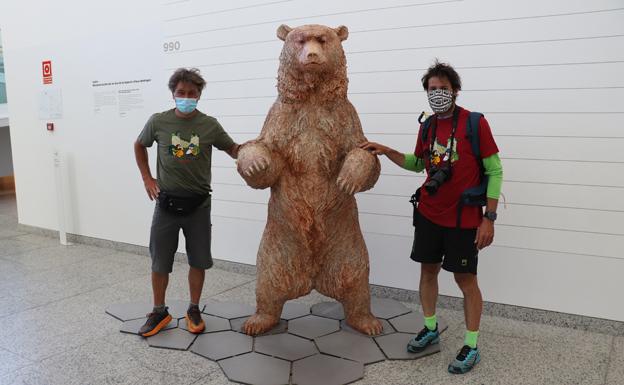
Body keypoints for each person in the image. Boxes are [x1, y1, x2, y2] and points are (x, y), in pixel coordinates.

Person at [361, 60, 503, 374]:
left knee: (466, 280)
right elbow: (417, 164)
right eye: (432, 89)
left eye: (444, 89)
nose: (438, 94)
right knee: (428, 271)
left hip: (464, 219)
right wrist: (385, 150)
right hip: (428, 213)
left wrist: (489, 217)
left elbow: (495, 170)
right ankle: (430, 327)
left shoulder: (474, 123)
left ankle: (471, 344)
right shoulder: (426, 125)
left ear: (456, 91)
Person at [133, 68, 239, 337]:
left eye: (192, 93)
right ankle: (159, 310)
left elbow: (234, 149)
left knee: (199, 261)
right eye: (181, 93)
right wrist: (147, 178)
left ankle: (193, 308)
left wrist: (259, 149)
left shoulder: (210, 125)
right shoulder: (158, 122)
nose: (186, 97)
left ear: (199, 95)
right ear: (173, 94)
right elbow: (139, 144)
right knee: (159, 262)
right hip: (165, 205)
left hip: (199, 207)